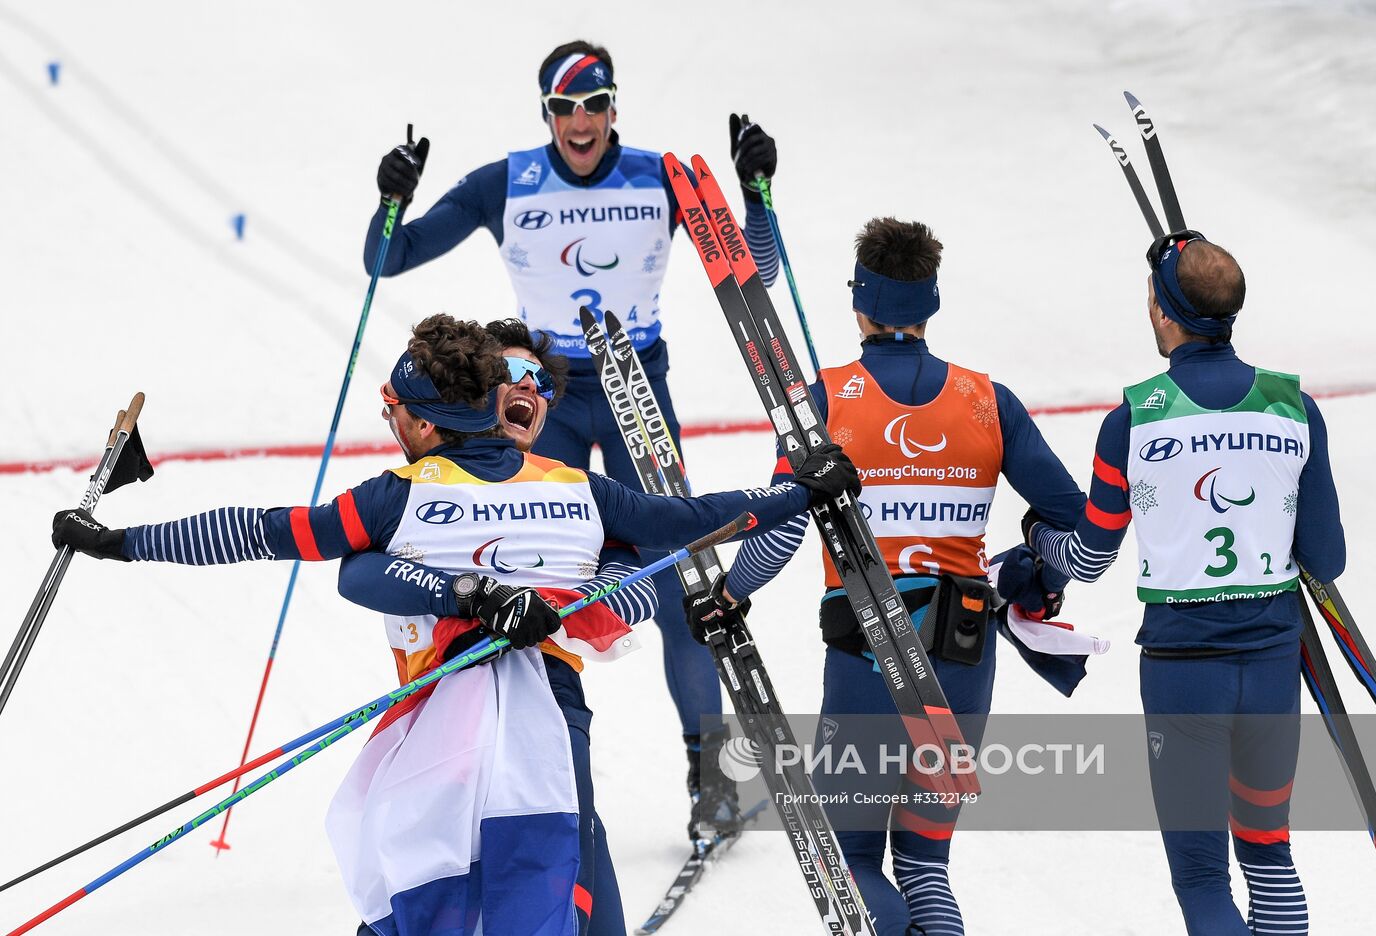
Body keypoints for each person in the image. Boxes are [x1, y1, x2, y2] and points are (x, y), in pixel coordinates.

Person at [52, 314, 858, 936]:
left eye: (394, 407)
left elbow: (264, 532)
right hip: (523, 718)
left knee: (447, 884)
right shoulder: (577, 487)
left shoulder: (399, 494)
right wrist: (800, 491)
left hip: (451, 723)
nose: (389, 419)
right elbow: (693, 517)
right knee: (541, 877)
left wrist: (122, 546)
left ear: (430, 421)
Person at [367, 38, 784, 841]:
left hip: (637, 390)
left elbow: (753, 271)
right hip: (539, 398)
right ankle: (507, 772)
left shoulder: (658, 176)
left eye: (593, 106)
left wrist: (756, 193)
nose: (580, 124)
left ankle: (714, 784)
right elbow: (388, 258)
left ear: (614, 107)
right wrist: (390, 199)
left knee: (680, 585)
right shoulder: (509, 181)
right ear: (547, 115)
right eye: (564, 110)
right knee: (519, 573)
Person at [686, 218, 1086, 936]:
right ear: (930, 305)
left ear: (859, 302)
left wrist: (728, 594)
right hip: (964, 654)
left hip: (873, 652)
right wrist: (1032, 564)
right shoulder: (985, 399)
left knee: (855, 859)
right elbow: (1075, 526)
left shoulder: (827, 398)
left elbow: (778, 532)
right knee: (926, 865)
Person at [1025, 232, 1345, 935]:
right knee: (1269, 852)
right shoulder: (1294, 407)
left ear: (1163, 313)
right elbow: (1328, 559)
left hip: (1182, 670)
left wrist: (1034, 541)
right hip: (1269, 666)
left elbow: (1086, 559)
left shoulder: (1135, 417)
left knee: (1202, 878)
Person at [339, 317, 635, 936]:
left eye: (539, 381)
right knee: (423, 866)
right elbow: (357, 571)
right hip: (435, 711)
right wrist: (468, 594)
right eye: (508, 374)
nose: (525, 387)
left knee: (566, 846)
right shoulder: (421, 485)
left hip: (544, 707)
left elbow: (637, 568)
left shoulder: (567, 494)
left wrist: (593, 597)